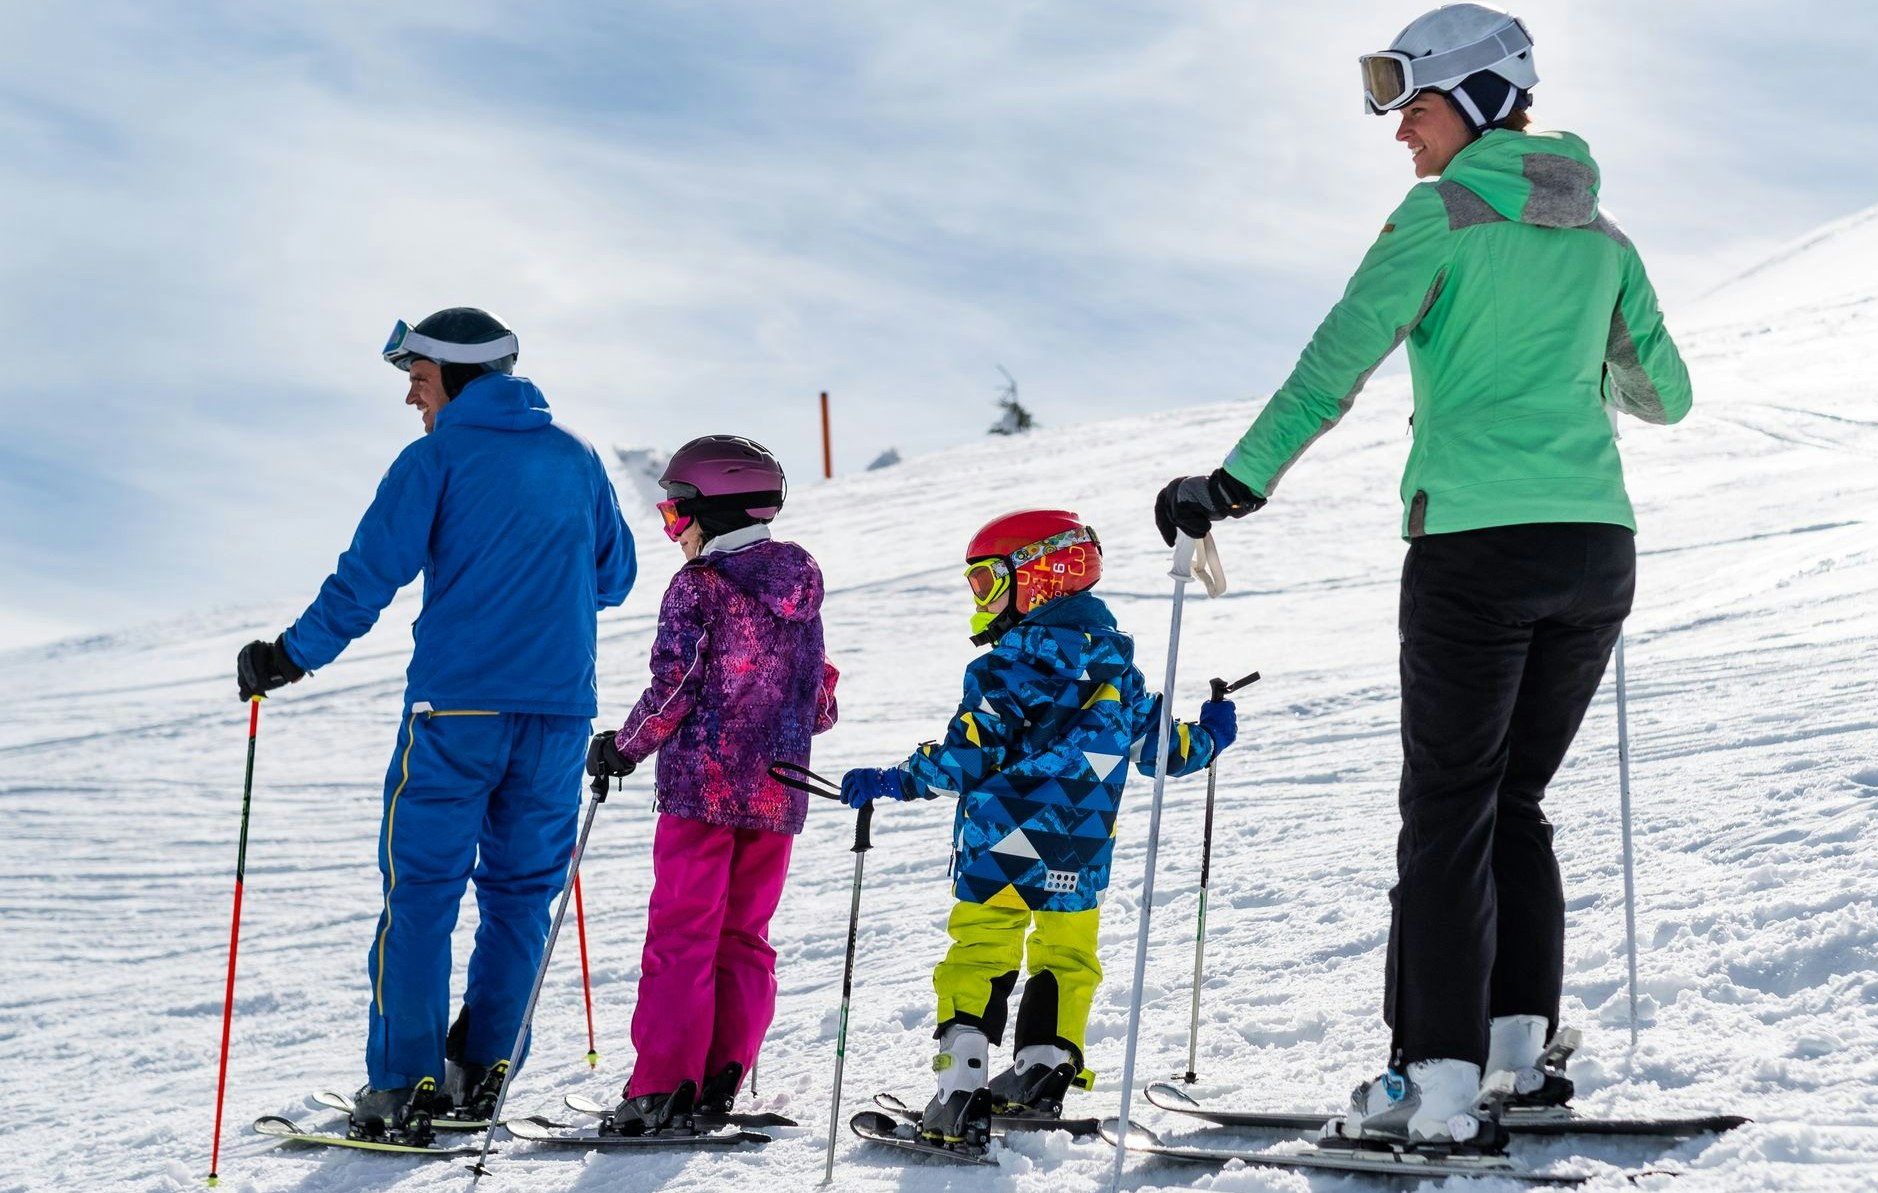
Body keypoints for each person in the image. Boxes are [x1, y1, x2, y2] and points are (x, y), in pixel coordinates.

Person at [1155, 3, 1692, 1152]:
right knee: (1513, 800)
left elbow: (1336, 357)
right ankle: (1515, 1060)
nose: (1402, 132)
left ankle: (1433, 1083)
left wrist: (1232, 485)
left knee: (1448, 809)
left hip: (1476, 550)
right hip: (1596, 549)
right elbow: (1667, 394)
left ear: (1486, 99)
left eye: (1418, 105)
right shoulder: (1606, 238)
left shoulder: (1441, 214)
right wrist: (1573, 357)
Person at [235, 307, 638, 1142]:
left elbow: (366, 578)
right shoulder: (578, 455)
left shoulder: (437, 456)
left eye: (419, 381)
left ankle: (405, 1086)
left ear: (457, 375)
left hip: (456, 713)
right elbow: (616, 576)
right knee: (524, 897)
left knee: (420, 895)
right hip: (559, 717)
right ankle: (485, 1070)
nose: (413, 399)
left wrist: (287, 657)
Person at [837, 509, 1239, 1150]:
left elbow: (965, 760)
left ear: (1040, 578)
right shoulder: (1120, 675)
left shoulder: (1005, 671)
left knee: (982, 952)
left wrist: (893, 779)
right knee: (1067, 957)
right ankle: (1042, 1075)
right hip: (1080, 851)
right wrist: (1212, 732)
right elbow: (1166, 752)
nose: (984, 603)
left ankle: (960, 1089)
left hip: (1001, 846)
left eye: (989, 584)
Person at [581, 436, 838, 1136]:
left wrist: (622, 748)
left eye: (676, 515)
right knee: (744, 934)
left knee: (682, 935)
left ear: (714, 512)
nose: (675, 532)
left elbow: (677, 685)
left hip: (703, 792)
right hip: (777, 795)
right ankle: (722, 1073)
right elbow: (819, 703)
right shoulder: (801, 590)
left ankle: (664, 1088)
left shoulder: (700, 585)